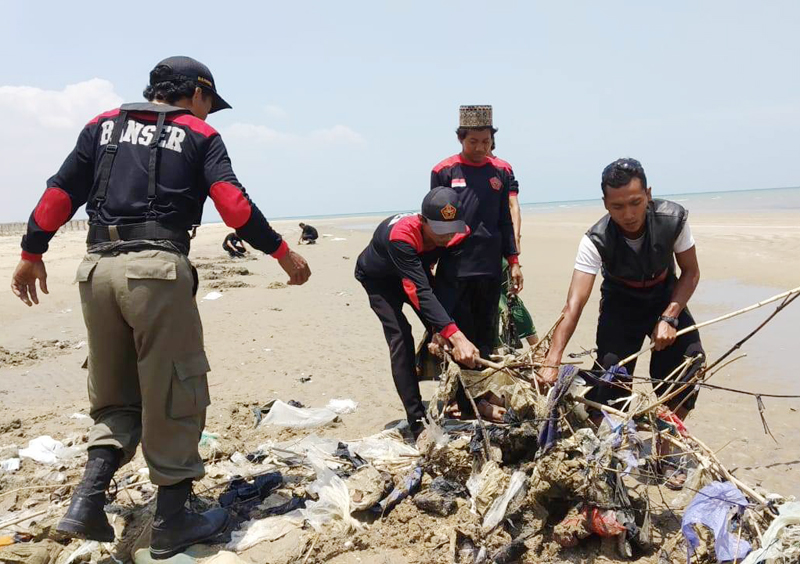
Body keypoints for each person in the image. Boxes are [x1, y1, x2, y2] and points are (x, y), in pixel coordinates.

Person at [10, 56, 311, 559]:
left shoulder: (101, 125)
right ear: (196, 93)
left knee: (114, 393)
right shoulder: (198, 134)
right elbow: (233, 206)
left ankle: (87, 502)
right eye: (211, 103)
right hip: (156, 269)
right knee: (176, 386)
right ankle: (174, 520)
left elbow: (59, 195)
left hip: (95, 270)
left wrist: (30, 253)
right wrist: (282, 252)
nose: (211, 113)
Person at [539, 158, 704, 428]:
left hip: (664, 297)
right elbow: (574, 304)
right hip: (621, 304)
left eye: (635, 202)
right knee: (611, 380)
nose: (628, 214)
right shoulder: (596, 239)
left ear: (648, 195)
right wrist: (552, 358)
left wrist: (670, 316)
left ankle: (666, 441)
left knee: (688, 367)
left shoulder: (673, 219)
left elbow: (691, 272)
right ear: (605, 203)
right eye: (617, 206)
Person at [355, 187, 480, 438]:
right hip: (379, 279)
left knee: (452, 326)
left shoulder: (456, 233)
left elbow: (446, 281)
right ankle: (416, 421)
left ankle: (466, 404)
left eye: (451, 228)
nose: (446, 237)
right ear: (423, 221)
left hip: (418, 272)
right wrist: (455, 335)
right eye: (440, 231)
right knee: (401, 336)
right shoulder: (401, 236)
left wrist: (443, 330)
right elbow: (418, 291)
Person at [430, 105, 522, 360]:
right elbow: (434, 221)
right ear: (460, 138)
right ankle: (457, 396)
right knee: (457, 332)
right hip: (455, 265)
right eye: (473, 141)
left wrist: (513, 261)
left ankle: (480, 395)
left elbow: (505, 219)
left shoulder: (500, 172)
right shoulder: (443, 171)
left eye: (486, 141)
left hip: (489, 264)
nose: (480, 147)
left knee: (486, 334)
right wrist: (430, 262)